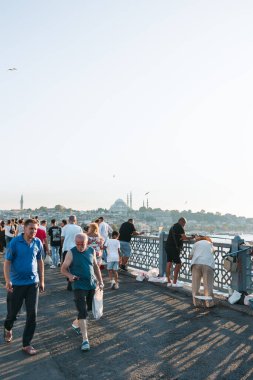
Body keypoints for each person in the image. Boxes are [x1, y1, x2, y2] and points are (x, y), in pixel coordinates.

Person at [3, 218, 44, 355]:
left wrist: (42, 280)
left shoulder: (38, 242)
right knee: (12, 314)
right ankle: (8, 328)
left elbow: (40, 261)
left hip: (33, 284)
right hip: (17, 285)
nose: (33, 231)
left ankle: (26, 344)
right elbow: (7, 262)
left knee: (32, 314)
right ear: (24, 228)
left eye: (35, 229)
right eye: (31, 228)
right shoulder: (15, 242)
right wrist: (8, 280)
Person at [61, 233, 104, 352]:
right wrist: (70, 276)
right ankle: (85, 340)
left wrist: (100, 281)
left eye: (82, 244)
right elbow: (63, 268)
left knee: (88, 309)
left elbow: (95, 267)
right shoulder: (71, 252)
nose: (80, 246)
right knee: (83, 311)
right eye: (77, 244)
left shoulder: (91, 251)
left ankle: (76, 323)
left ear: (88, 243)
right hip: (78, 285)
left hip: (91, 284)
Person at [165, 217, 194, 287]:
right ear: (181, 222)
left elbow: (177, 236)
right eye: (184, 223)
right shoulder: (180, 227)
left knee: (169, 262)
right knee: (178, 263)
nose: (184, 225)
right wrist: (192, 237)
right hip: (174, 248)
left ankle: (168, 281)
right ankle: (174, 282)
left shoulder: (173, 226)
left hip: (168, 246)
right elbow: (184, 238)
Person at [189, 236, 215, 308]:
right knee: (208, 285)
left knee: (195, 285)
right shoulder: (210, 243)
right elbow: (214, 251)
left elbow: (190, 257)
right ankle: (209, 304)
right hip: (208, 264)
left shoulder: (196, 244)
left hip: (196, 263)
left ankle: (196, 303)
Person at [61, 215, 83, 290]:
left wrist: (62, 246)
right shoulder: (79, 228)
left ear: (68, 220)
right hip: (75, 249)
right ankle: (73, 281)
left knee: (66, 266)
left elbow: (62, 238)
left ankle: (69, 280)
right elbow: (81, 238)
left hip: (66, 248)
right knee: (75, 266)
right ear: (75, 220)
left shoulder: (65, 227)